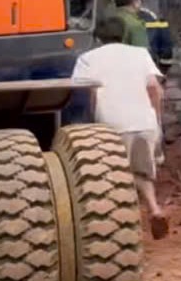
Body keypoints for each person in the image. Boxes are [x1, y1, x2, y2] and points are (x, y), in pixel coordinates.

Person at [71, 15, 169, 239]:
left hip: (111, 123)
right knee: (143, 172)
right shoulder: (140, 54)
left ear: (97, 37)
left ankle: (125, 225)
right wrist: (156, 119)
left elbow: (89, 92)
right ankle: (154, 208)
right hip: (145, 121)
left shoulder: (87, 58)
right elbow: (154, 88)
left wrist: (95, 119)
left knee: (115, 177)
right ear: (123, 34)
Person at [120, 0, 175, 77]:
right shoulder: (154, 18)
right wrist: (163, 73)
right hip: (146, 73)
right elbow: (166, 51)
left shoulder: (111, 18)